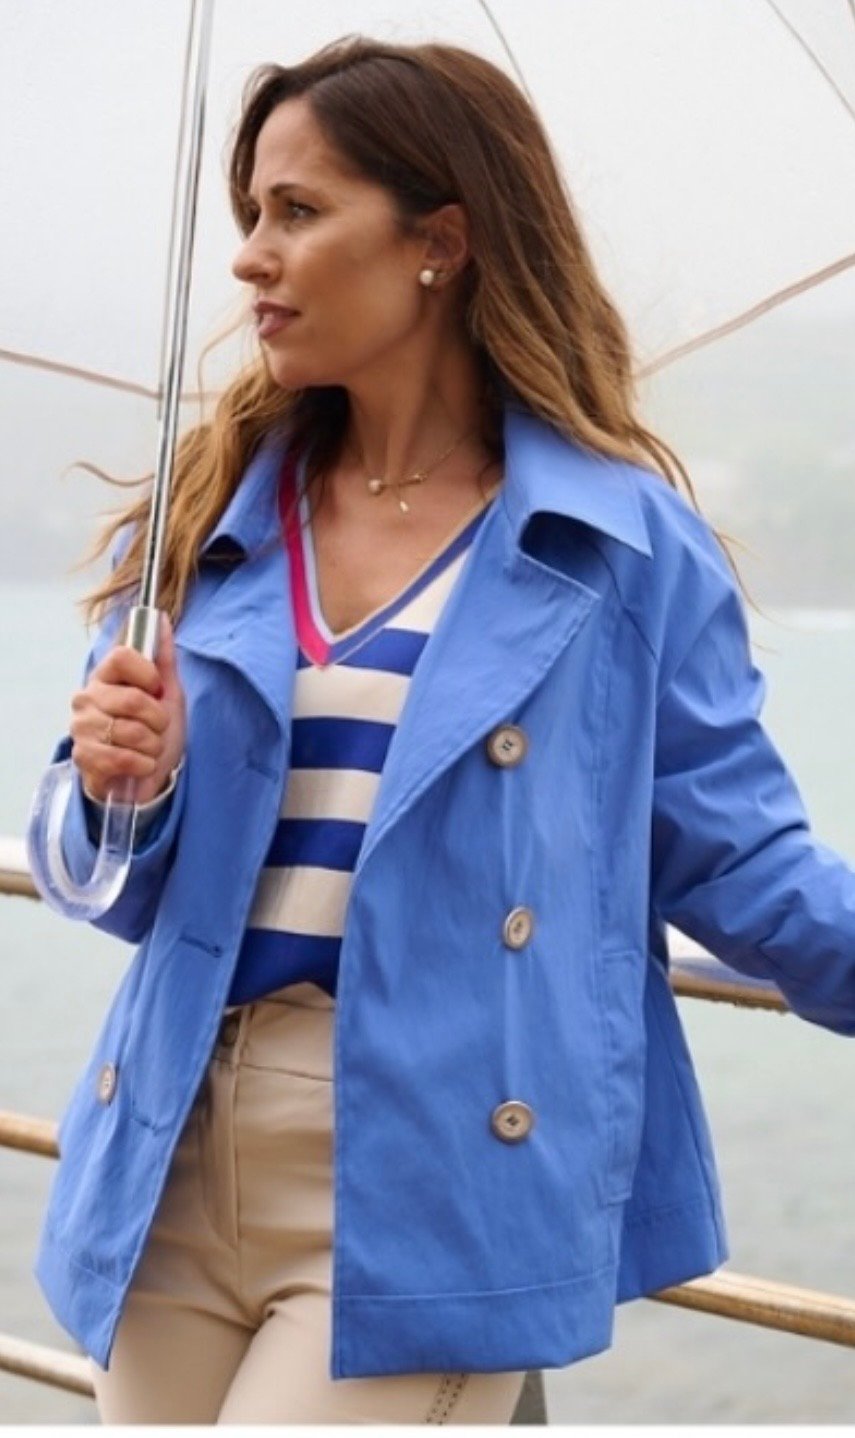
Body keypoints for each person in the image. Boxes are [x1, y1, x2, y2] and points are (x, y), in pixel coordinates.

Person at [27, 34, 855, 1427]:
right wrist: (124, 787)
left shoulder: (619, 546)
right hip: (172, 1141)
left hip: (435, 1171)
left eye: (298, 210)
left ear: (440, 243)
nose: (251, 257)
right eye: (250, 213)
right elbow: (95, 874)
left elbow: (741, 861)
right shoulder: (215, 513)